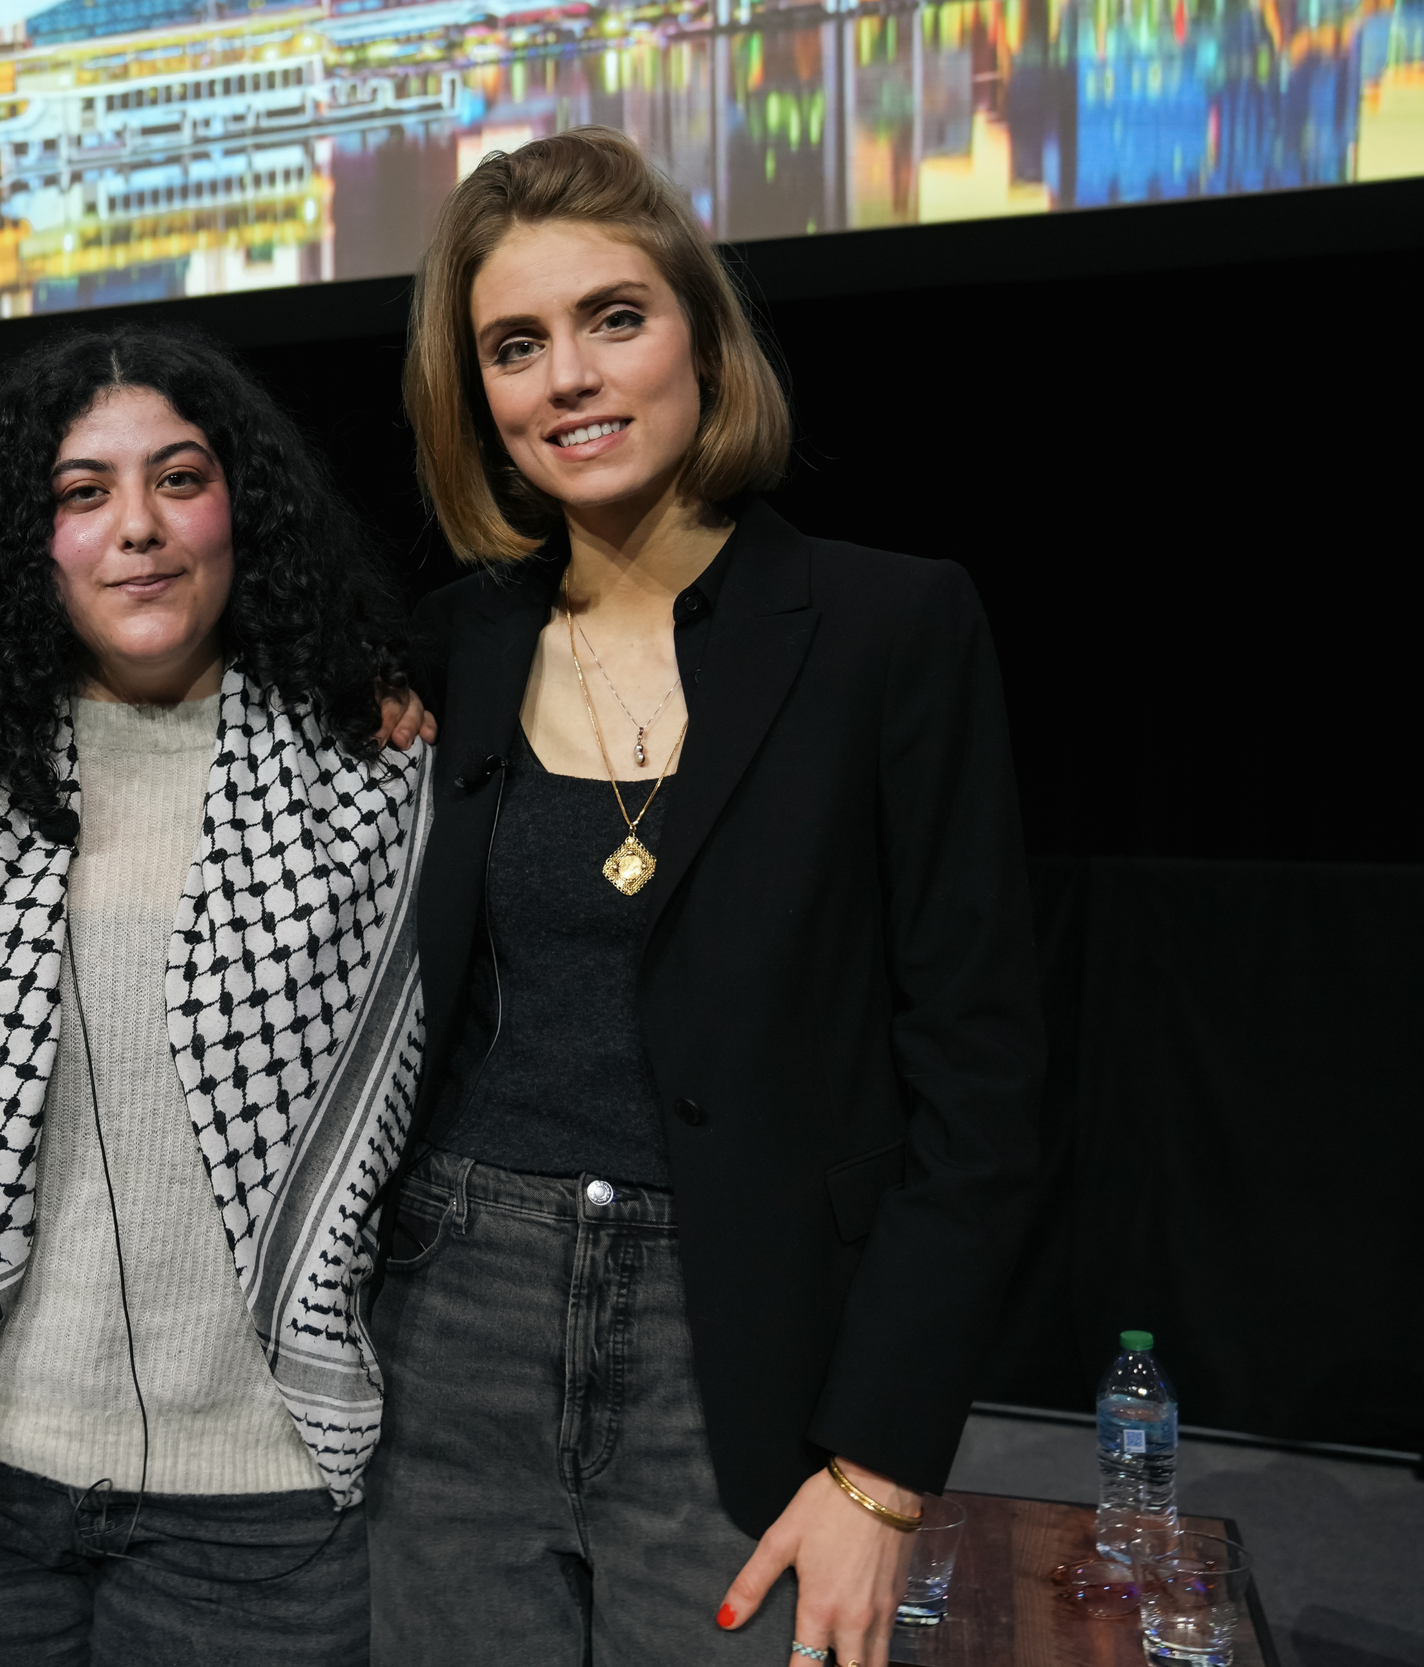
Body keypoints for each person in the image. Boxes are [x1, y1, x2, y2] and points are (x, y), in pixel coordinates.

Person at [365, 127, 1044, 1667]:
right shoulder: (438, 652)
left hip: (744, 1351)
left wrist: (879, 1468)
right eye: (515, 346)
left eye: (615, 318)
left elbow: (984, 1090)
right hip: (449, 1328)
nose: (570, 380)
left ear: (699, 333)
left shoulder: (889, 625)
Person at [0, 325, 432, 1665]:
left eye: (179, 478)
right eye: (83, 493)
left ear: (242, 507)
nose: (139, 529)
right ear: (25, 539)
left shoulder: (374, 778)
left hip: (264, 1509)